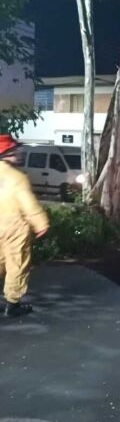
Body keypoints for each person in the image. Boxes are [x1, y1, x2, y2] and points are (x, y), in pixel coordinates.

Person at [0, 134, 49, 317]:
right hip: (15, 226)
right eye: (15, 151)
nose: (18, 154)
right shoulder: (17, 177)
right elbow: (28, 204)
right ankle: (12, 304)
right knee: (17, 263)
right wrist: (41, 223)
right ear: (6, 153)